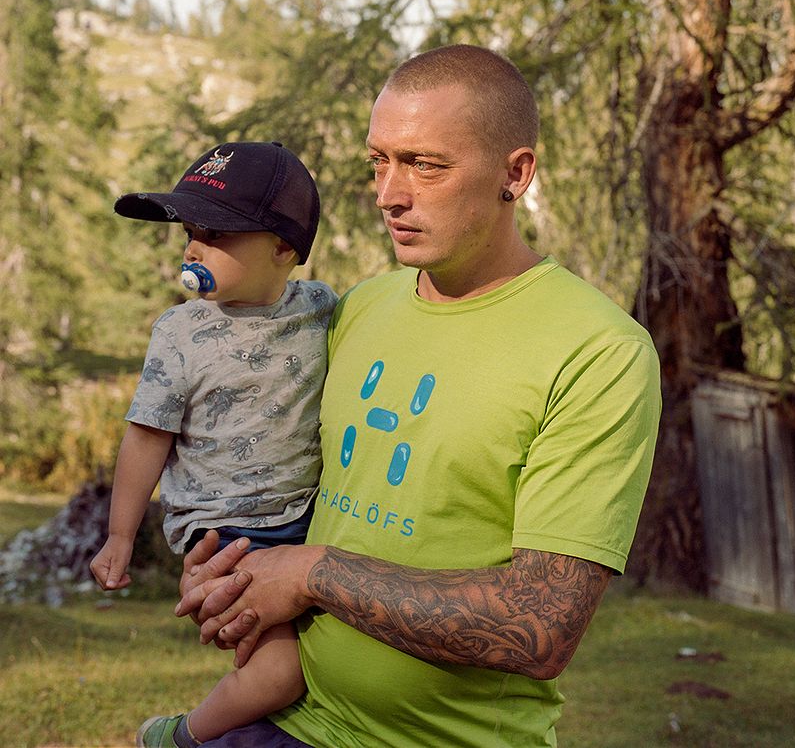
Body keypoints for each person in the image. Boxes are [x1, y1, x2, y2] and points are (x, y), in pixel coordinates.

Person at [173, 46, 662, 748]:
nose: (388, 194)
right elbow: (283, 481)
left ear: (515, 173)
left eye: (425, 164)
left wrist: (311, 572)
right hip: (287, 717)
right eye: (379, 161)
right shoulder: (359, 308)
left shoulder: (598, 352)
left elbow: (538, 625)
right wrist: (227, 566)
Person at [89, 141, 338, 748]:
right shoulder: (181, 332)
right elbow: (146, 437)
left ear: (285, 249)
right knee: (280, 674)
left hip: (312, 520)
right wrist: (120, 535)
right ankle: (182, 736)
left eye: (217, 234)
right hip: (229, 532)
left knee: (327, 659)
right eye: (191, 232)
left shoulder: (324, 311)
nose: (193, 249)